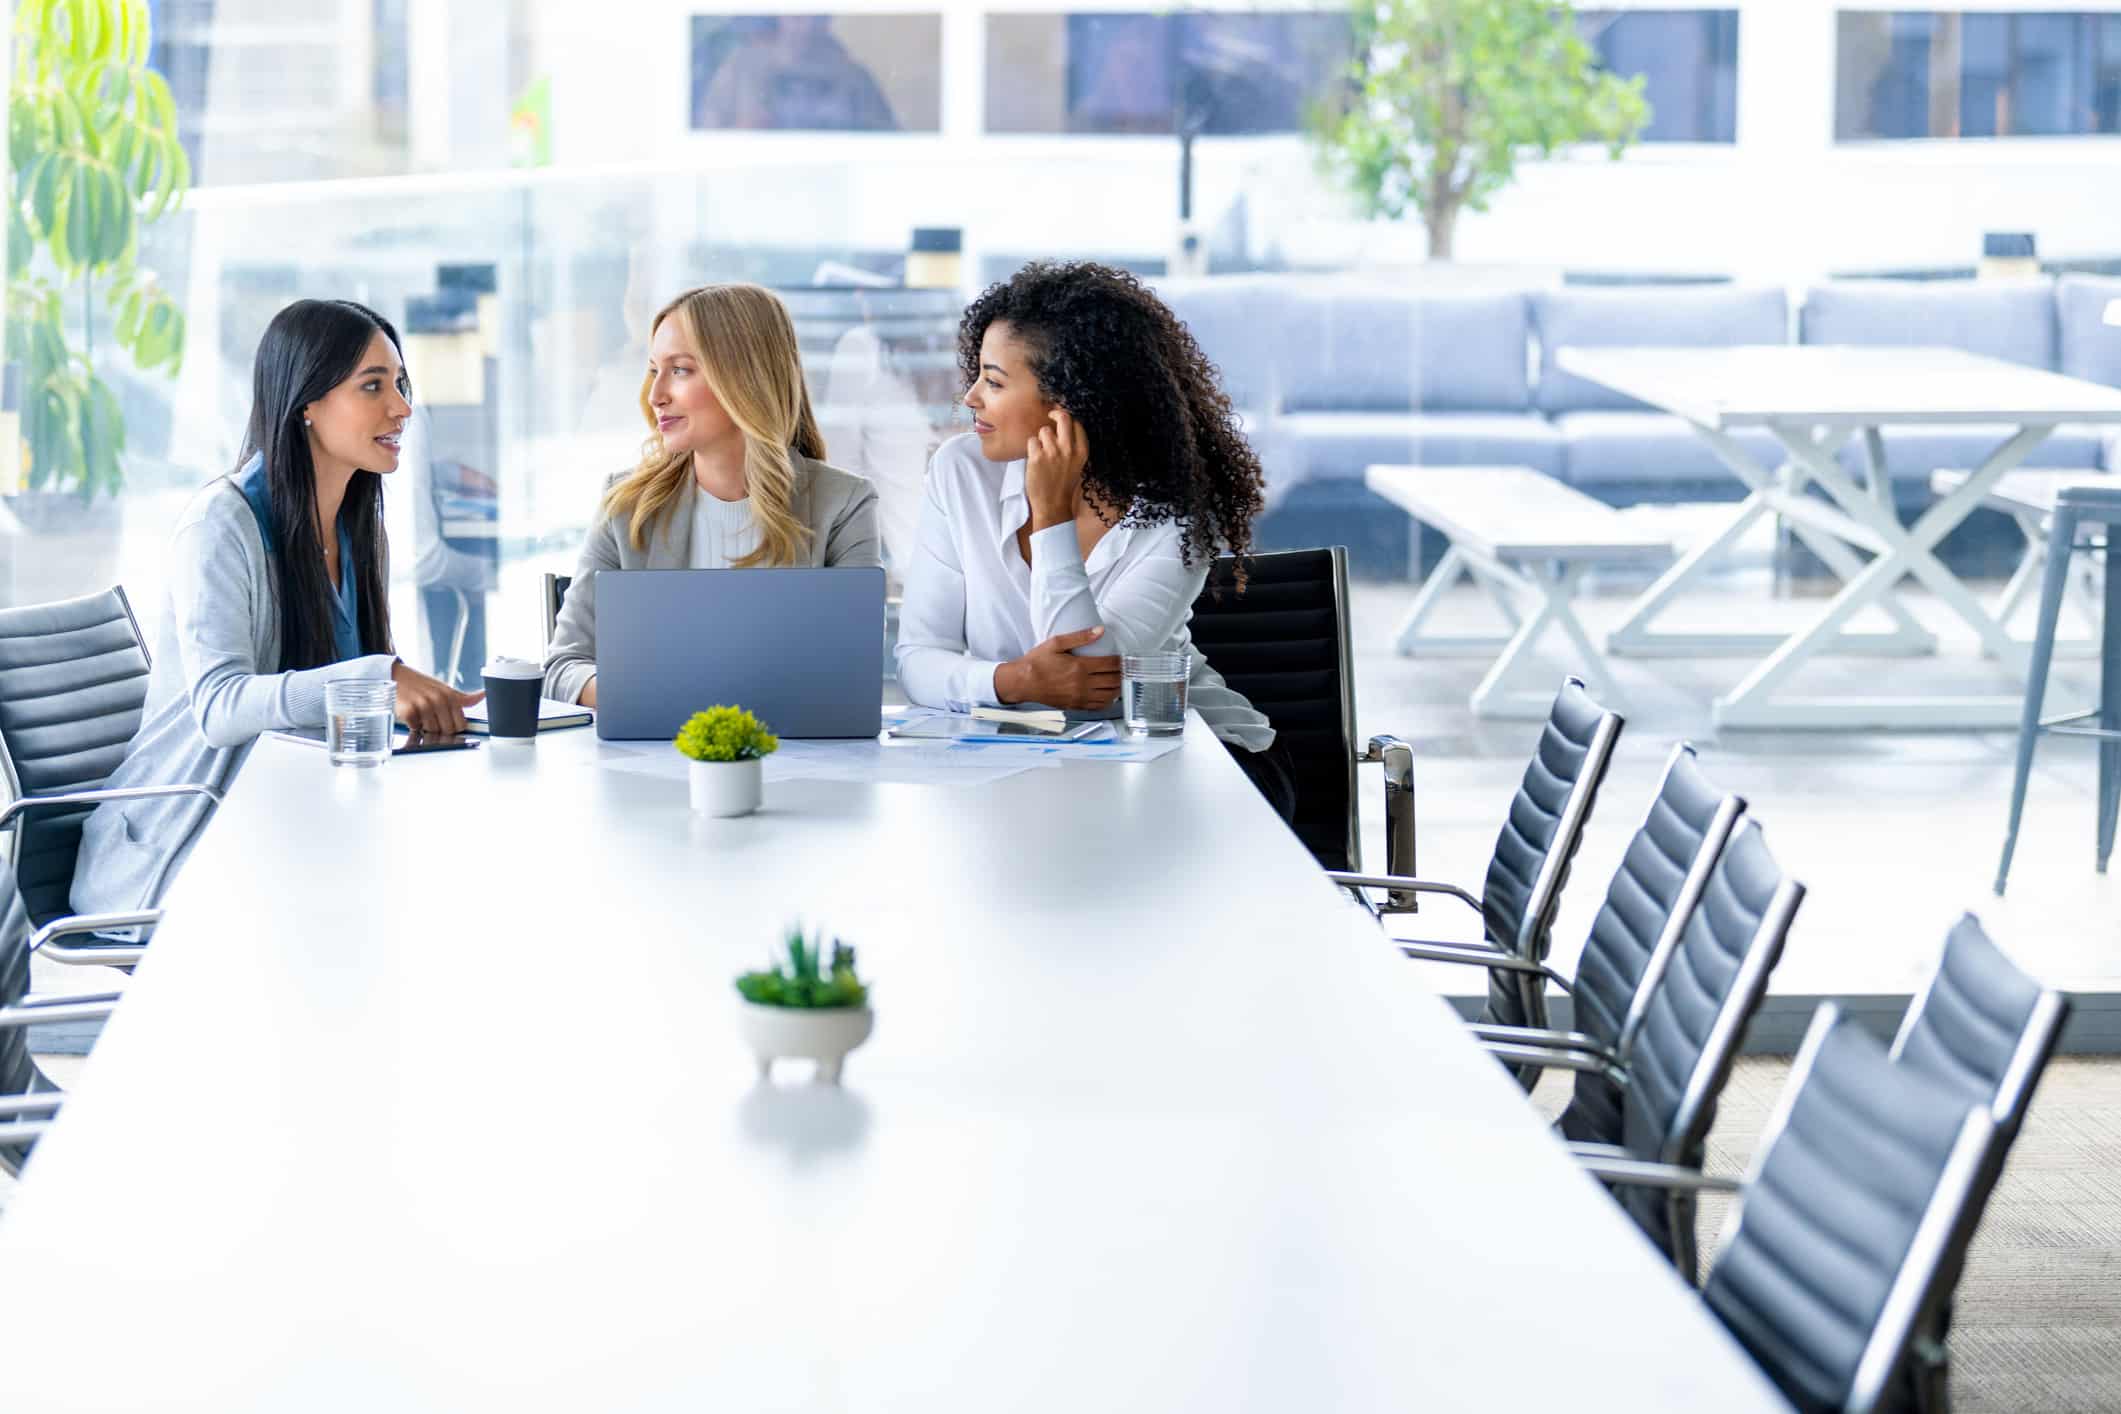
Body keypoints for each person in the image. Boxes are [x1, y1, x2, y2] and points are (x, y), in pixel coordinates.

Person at [70, 299, 480, 917]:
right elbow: (220, 706)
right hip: (184, 850)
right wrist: (376, 680)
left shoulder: (357, 527)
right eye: (373, 386)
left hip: (294, 836)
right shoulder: (220, 525)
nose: (401, 407)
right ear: (306, 404)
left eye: (400, 384)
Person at [894, 260, 1297, 821]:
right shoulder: (959, 473)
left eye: (994, 381)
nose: (970, 397)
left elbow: (1093, 683)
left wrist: (1051, 514)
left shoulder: (1177, 513)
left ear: (1072, 402)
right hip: (1033, 761)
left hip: (1204, 765)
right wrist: (1013, 681)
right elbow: (918, 660)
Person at [543, 284, 881, 708]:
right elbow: (563, 667)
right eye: (654, 370)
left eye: (680, 370)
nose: (655, 395)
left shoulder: (844, 505)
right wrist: (662, 698)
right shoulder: (626, 506)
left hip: (793, 764)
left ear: (744, 378)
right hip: (653, 763)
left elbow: (855, 678)